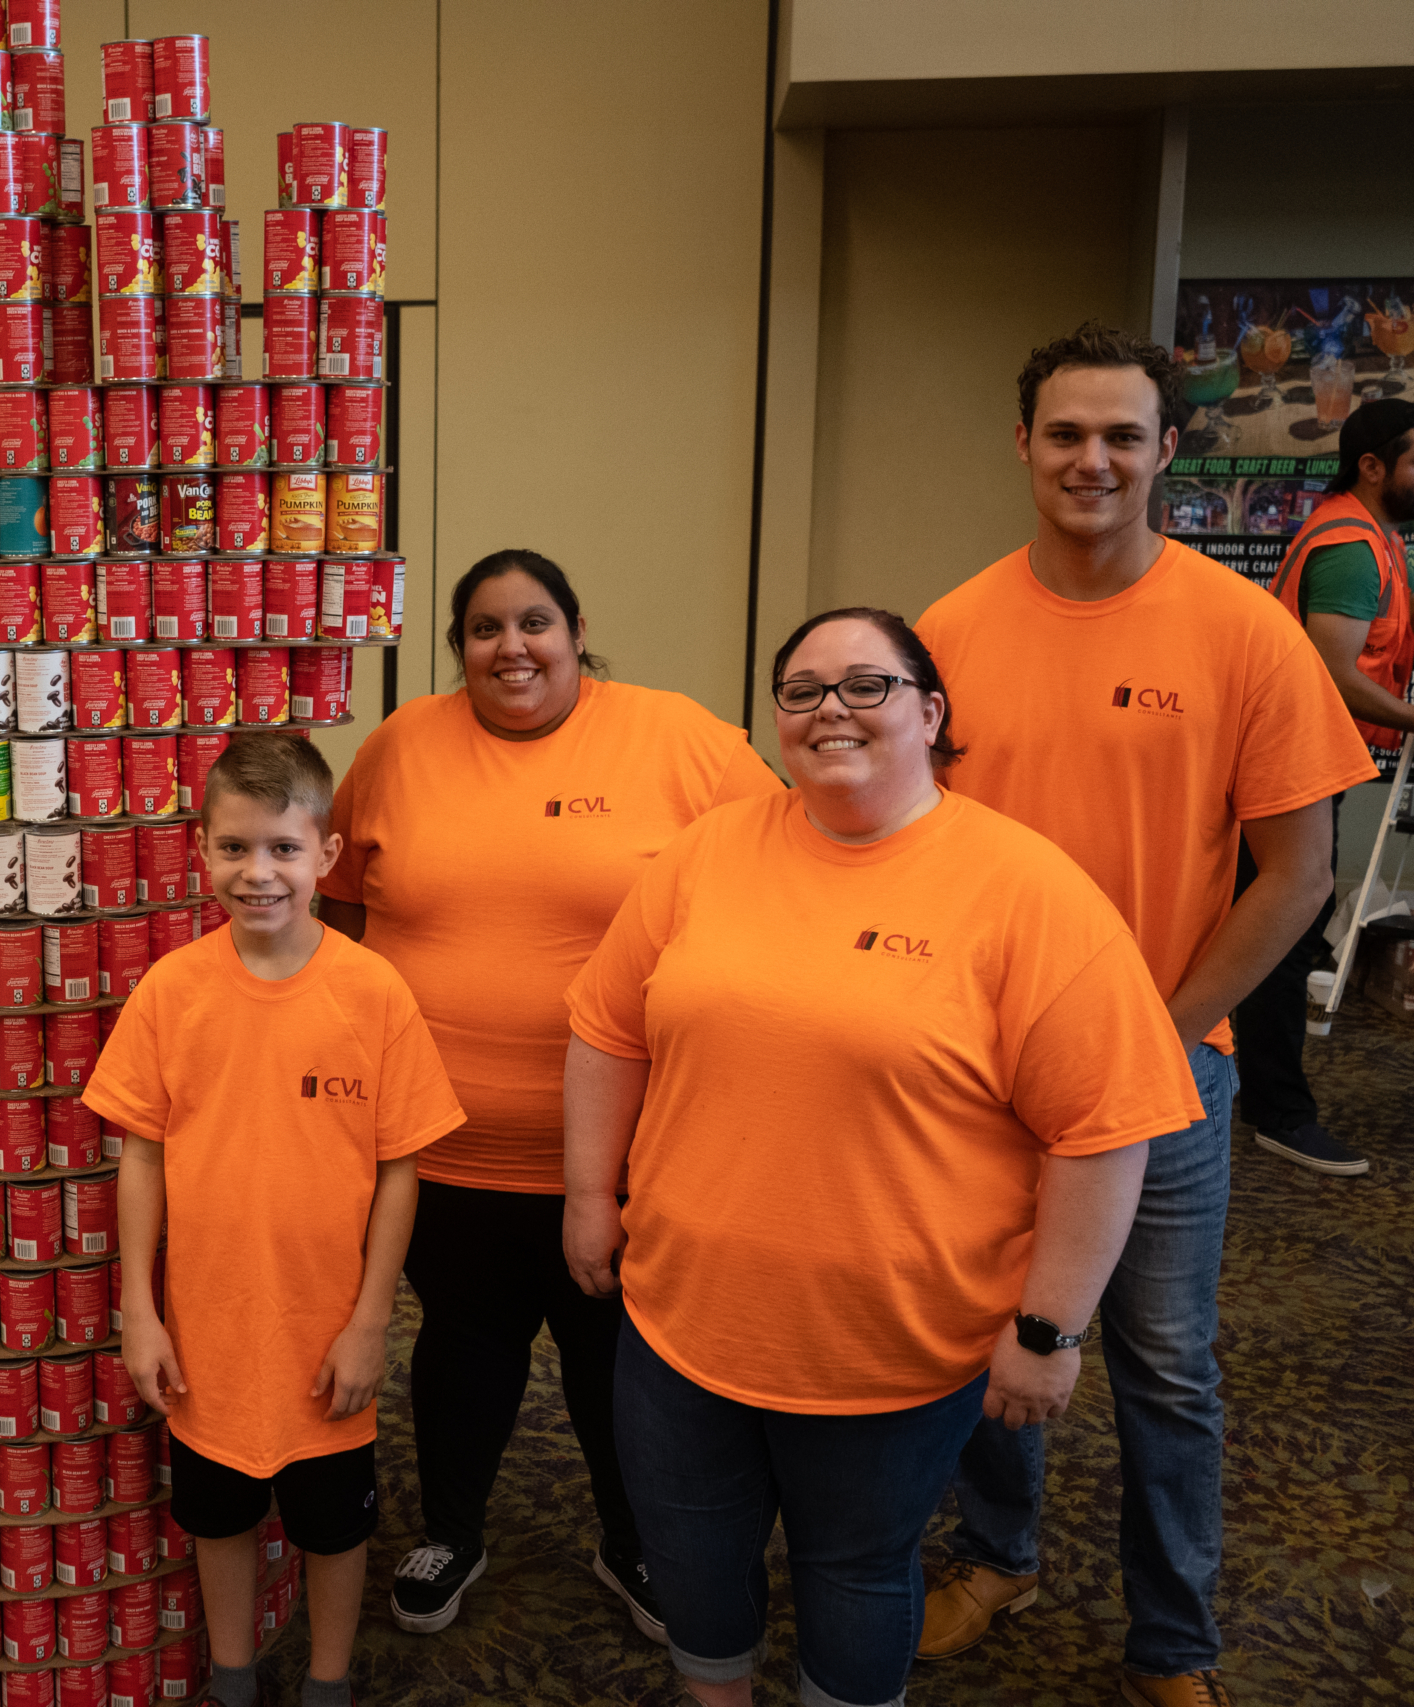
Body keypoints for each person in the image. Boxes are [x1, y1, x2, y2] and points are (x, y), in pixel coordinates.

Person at [562, 606, 1201, 1707]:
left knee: (854, 1574)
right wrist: (586, 1193)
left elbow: (1102, 1130)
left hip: (891, 1349)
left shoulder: (1026, 889)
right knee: (696, 1565)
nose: (831, 711)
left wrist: (1048, 1329)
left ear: (930, 711)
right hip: (681, 1320)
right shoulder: (710, 852)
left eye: (867, 685)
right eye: (801, 691)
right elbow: (607, 1028)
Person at [914, 324, 1376, 1707]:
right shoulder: (948, 631)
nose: (1093, 458)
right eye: (1066, 433)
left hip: (1173, 1068)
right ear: (1023, 447)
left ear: (1169, 450)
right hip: (984, 1073)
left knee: (1167, 1366)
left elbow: (1301, 871)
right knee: (989, 1342)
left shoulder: (1247, 636)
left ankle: (1175, 1637)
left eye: (1123, 434)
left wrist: (1165, 1030)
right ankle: (1000, 1557)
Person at [316, 548, 782, 1640]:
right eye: (483, 628)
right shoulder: (399, 748)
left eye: (534, 623)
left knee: (612, 1359)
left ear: (576, 630)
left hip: (623, 1150)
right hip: (443, 1143)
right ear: (456, 647)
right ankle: (453, 1530)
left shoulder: (677, 739)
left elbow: (787, 860)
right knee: (463, 1344)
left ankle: (632, 1543)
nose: (510, 647)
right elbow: (334, 903)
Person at [93, 734, 465, 1707]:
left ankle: (329, 1681)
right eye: (234, 848)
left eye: (284, 851)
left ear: (326, 857)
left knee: (333, 1529)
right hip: (206, 1334)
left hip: (324, 1336)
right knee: (216, 1517)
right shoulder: (172, 992)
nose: (258, 873)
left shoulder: (372, 993)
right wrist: (138, 1307)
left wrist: (370, 1320)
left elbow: (399, 1168)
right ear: (200, 848)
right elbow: (140, 1154)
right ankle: (232, 1677)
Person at [1239, 396, 1414, 1176]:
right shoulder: (1350, 545)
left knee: (1274, 926)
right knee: (1281, 933)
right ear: (1374, 465)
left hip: (1308, 763)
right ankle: (1277, 1110)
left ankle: (1249, 1087)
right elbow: (1334, 675)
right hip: (1287, 764)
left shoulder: (1374, 536)